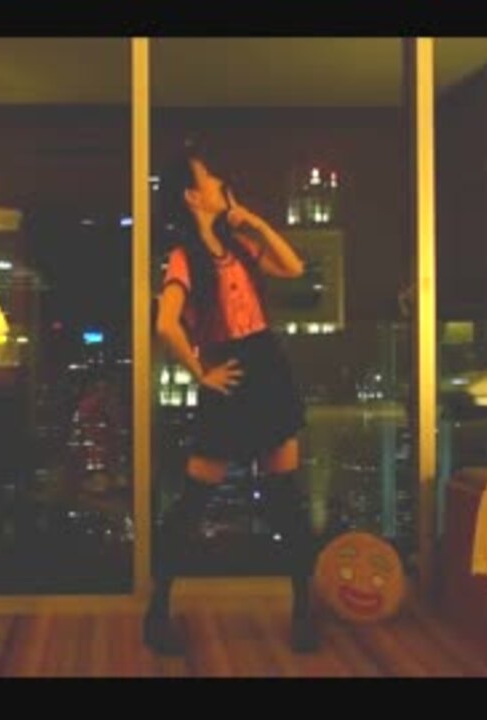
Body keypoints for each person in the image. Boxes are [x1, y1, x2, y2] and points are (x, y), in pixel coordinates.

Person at [144, 139, 321, 655]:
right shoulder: (184, 257)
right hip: (232, 370)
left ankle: (303, 608)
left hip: (266, 367)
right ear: (191, 196)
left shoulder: (241, 244)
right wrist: (201, 372)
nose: (220, 182)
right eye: (209, 177)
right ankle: (158, 610)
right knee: (195, 500)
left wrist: (252, 221)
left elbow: (292, 266)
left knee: (285, 497)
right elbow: (166, 324)